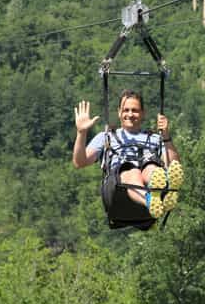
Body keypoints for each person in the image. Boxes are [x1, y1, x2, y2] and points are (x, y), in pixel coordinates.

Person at [73, 90, 183, 224]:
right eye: (126, 110)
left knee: (151, 167)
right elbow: (79, 162)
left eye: (135, 110)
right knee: (132, 171)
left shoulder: (155, 138)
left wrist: (165, 135)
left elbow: (174, 165)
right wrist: (81, 133)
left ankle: (159, 192)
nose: (130, 114)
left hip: (145, 183)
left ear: (143, 113)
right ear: (119, 112)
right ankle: (152, 200)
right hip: (118, 190)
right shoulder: (106, 137)